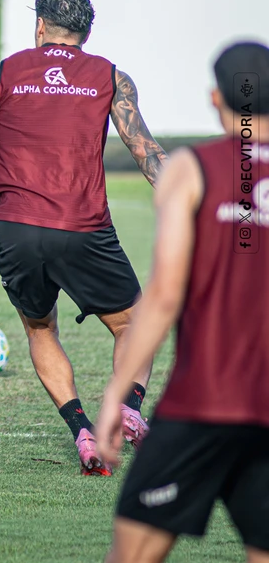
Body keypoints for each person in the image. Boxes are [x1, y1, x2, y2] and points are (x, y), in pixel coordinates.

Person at [0, 0, 167, 474]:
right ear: (87, 32)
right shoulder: (110, 77)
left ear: (39, 26)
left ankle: (82, 430)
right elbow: (145, 151)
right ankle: (125, 407)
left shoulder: (5, 72)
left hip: (15, 227)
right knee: (135, 323)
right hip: (83, 225)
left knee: (41, 327)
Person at [95, 42, 269, 563]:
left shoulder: (192, 169)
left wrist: (116, 398)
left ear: (216, 97)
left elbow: (166, 296)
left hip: (202, 404)